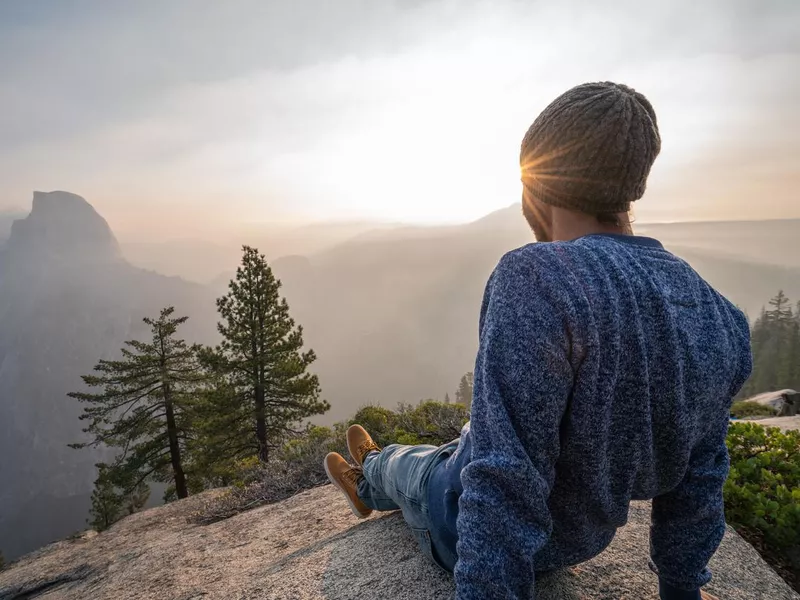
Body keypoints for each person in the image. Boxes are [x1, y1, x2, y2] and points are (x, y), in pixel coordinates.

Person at [323, 82, 752, 600]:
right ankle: (381, 472)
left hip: (465, 527)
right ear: (630, 187)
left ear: (536, 184)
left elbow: (504, 480)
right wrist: (682, 590)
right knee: (466, 442)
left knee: (415, 468)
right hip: (578, 543)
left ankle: (369, 474)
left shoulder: (538, 277)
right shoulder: (719, 315)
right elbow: (699, 481)